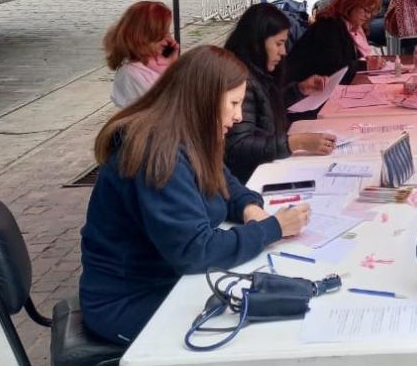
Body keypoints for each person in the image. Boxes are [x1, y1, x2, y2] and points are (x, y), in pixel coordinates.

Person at [79, 46, 311, 346]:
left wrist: (247, 207)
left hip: (165, 282)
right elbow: (194, 251)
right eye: (233, 103)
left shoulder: (188, 135)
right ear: (204, 99)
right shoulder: (159, 153)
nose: (239, 116)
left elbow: (223, 179)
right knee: (255, 335)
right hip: (129, 302)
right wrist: (272, 228)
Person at [223, 3, 335, 183]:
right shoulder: (241, 80)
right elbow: (238, 145)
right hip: (253, 178)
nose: (283, 52)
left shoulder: (255, 73)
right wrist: (295, 142)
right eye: (278, 43)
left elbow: (264, 109)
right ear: (258, 41)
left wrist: (298, 90)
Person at [286, 0, 382, 90]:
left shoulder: (350, 27)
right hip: (302, 93)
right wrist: (365, 66)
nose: (368, 16)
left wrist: (368, 63)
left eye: (371, 12)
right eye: (365, 10)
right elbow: (334, 69)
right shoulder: (329, 27)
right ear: (351, 3)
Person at [103, 1, 180, 108]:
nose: (168, 39)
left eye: (168, 32)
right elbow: (168, 108)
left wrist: (173, 64)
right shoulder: (132, 74)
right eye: (162, 34)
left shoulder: (156, 64)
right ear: (144, 37)